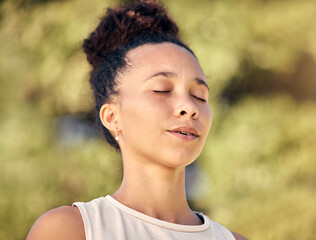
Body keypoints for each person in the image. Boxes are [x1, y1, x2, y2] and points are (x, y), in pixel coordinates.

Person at [27, 0, 247, 239]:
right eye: (162, 90)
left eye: (199, 96)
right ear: (112, 117)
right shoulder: (71, 229)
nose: (189, 107)